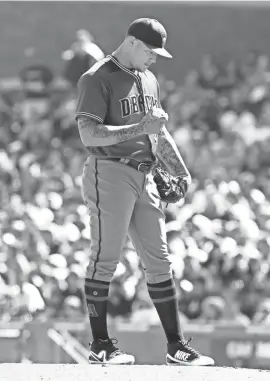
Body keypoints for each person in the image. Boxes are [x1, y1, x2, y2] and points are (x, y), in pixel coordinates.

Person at [76, 17, 215, 366]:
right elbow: (89, 136)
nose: (155, 58)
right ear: (132, 41)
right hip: (108, 171)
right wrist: (140, 127)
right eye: (151, 51)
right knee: (105, 257)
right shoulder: (97, 78)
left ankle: (176, 346)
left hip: (145, 175)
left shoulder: (148, 79)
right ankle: (101, 345)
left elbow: (157, 131)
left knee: (159, 260)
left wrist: (180, 170)